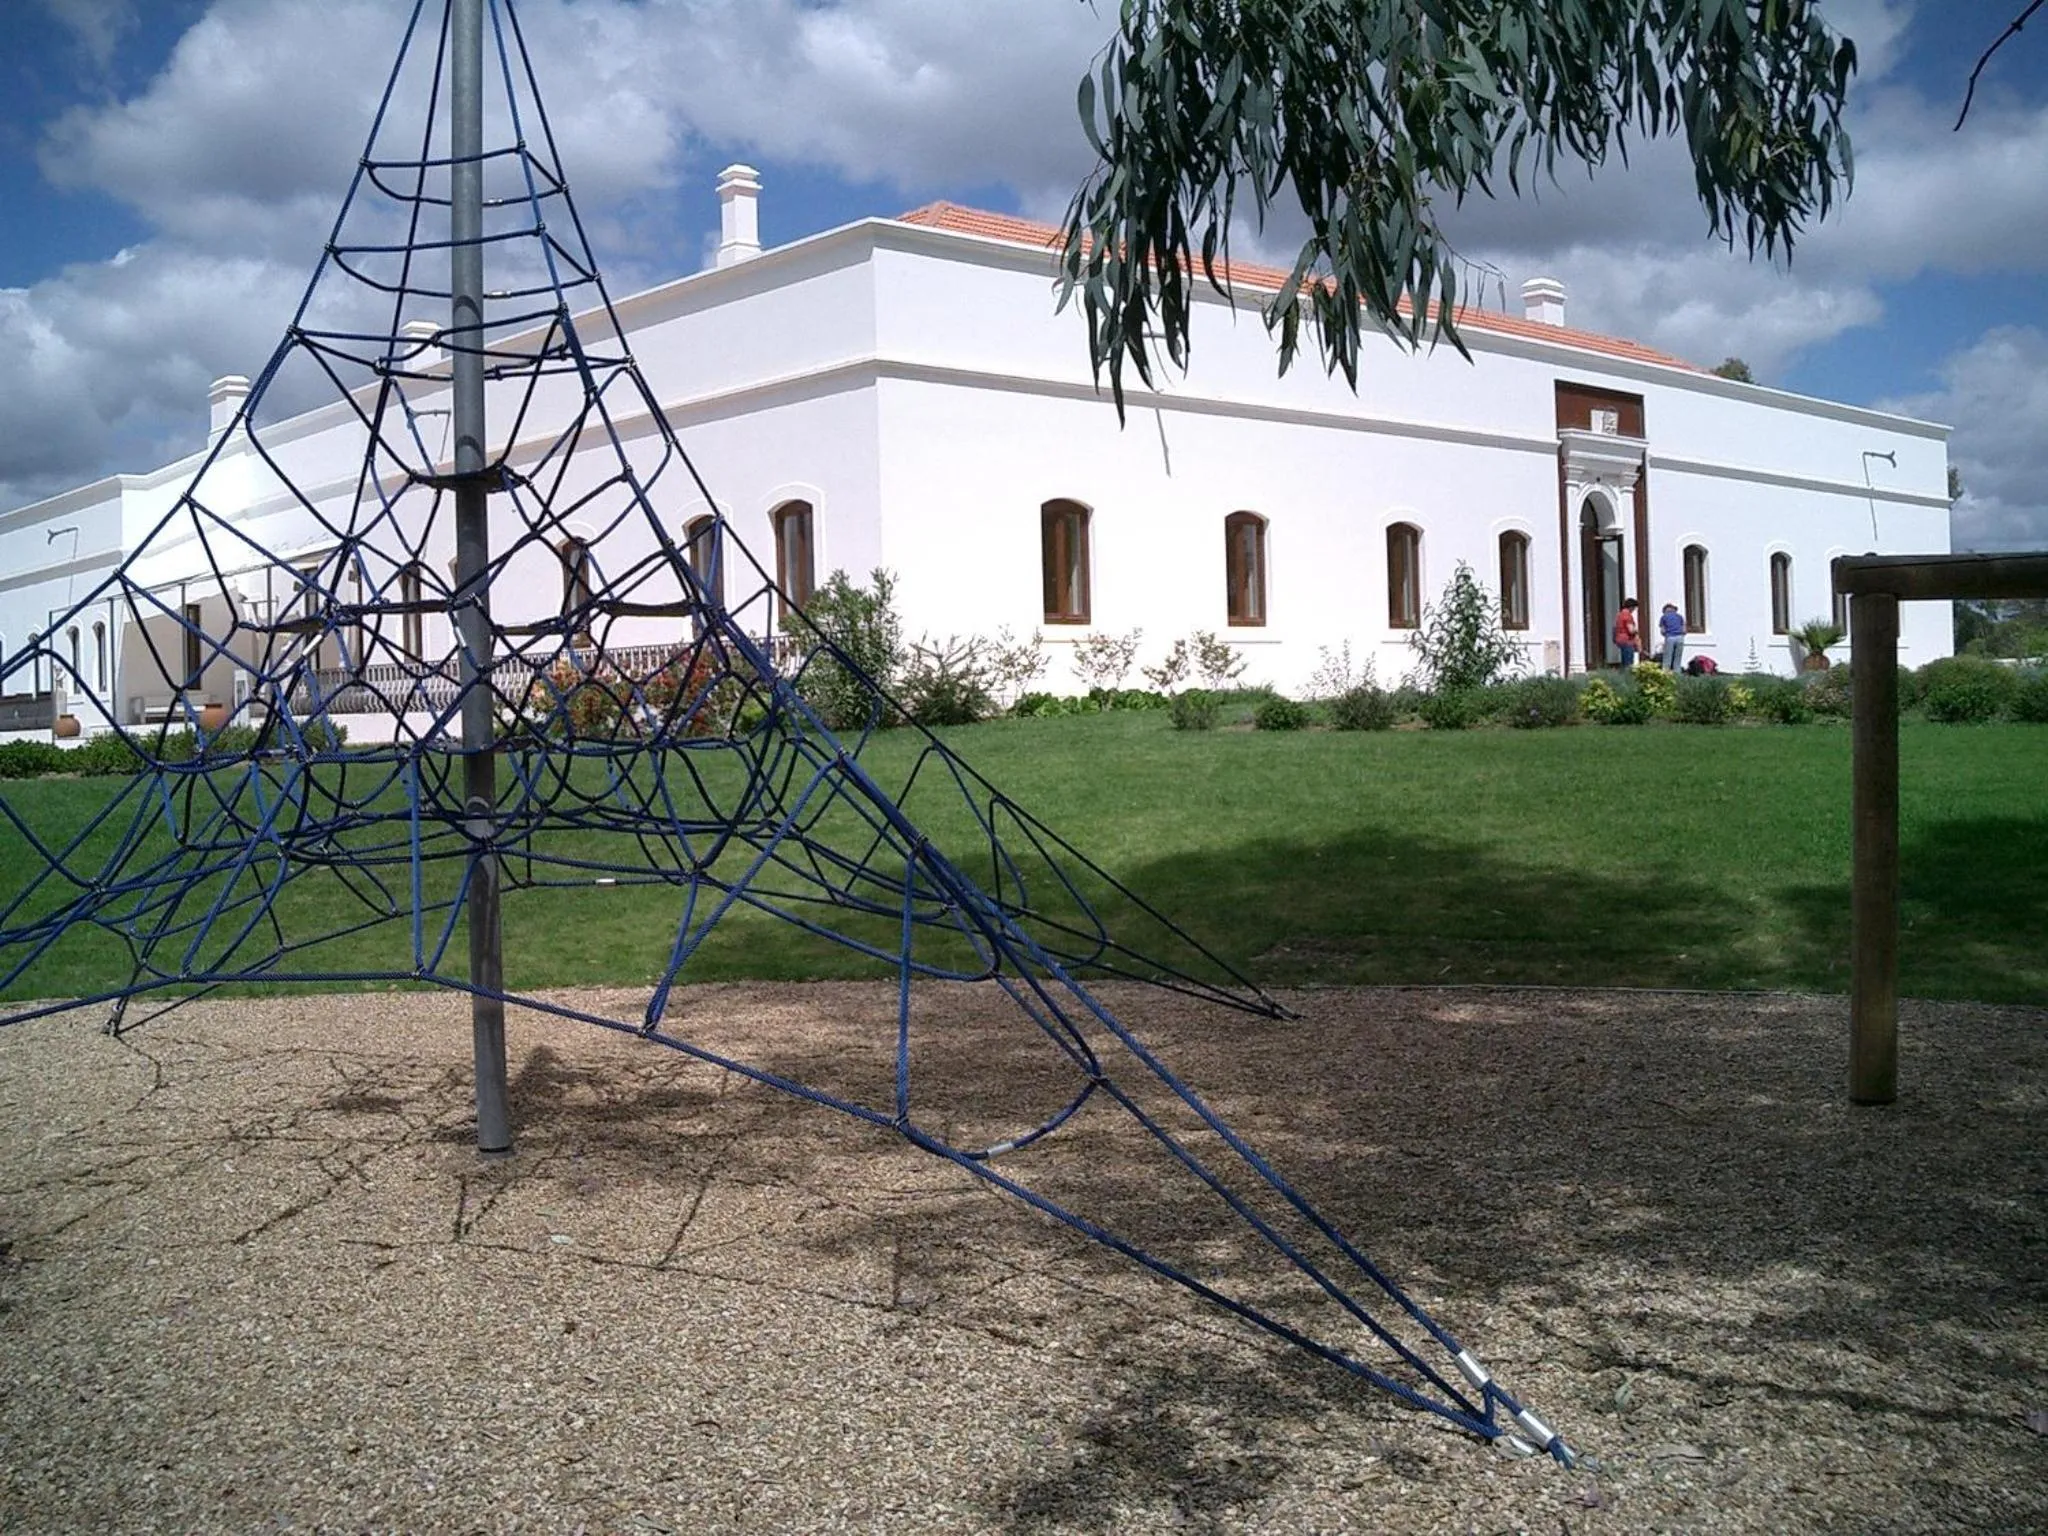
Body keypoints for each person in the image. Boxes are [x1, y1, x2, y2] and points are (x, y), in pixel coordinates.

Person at [1658, 602, 1686, 671]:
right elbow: (1684, 630)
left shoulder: (1664, 617)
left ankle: (1666, 675)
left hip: (1670, 638)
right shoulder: (1680, 617)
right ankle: (1677, 675)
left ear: (1665, 610)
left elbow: (1663, 631)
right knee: (1677, 660)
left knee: (1667, 659)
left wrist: (1666, 636)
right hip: (1680, 638)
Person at [1613, 598, 1640, 668]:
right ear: (1631, 607)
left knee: (1624, 660)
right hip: (1627, 640)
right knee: (1629, 663)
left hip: (1619, 639)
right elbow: (1631, 630)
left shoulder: (1620, 614)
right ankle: (1628, 676)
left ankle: (1624, 675)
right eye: (1634, 608)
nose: (1634, 610)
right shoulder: (1627, 615)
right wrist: (1636, 631)